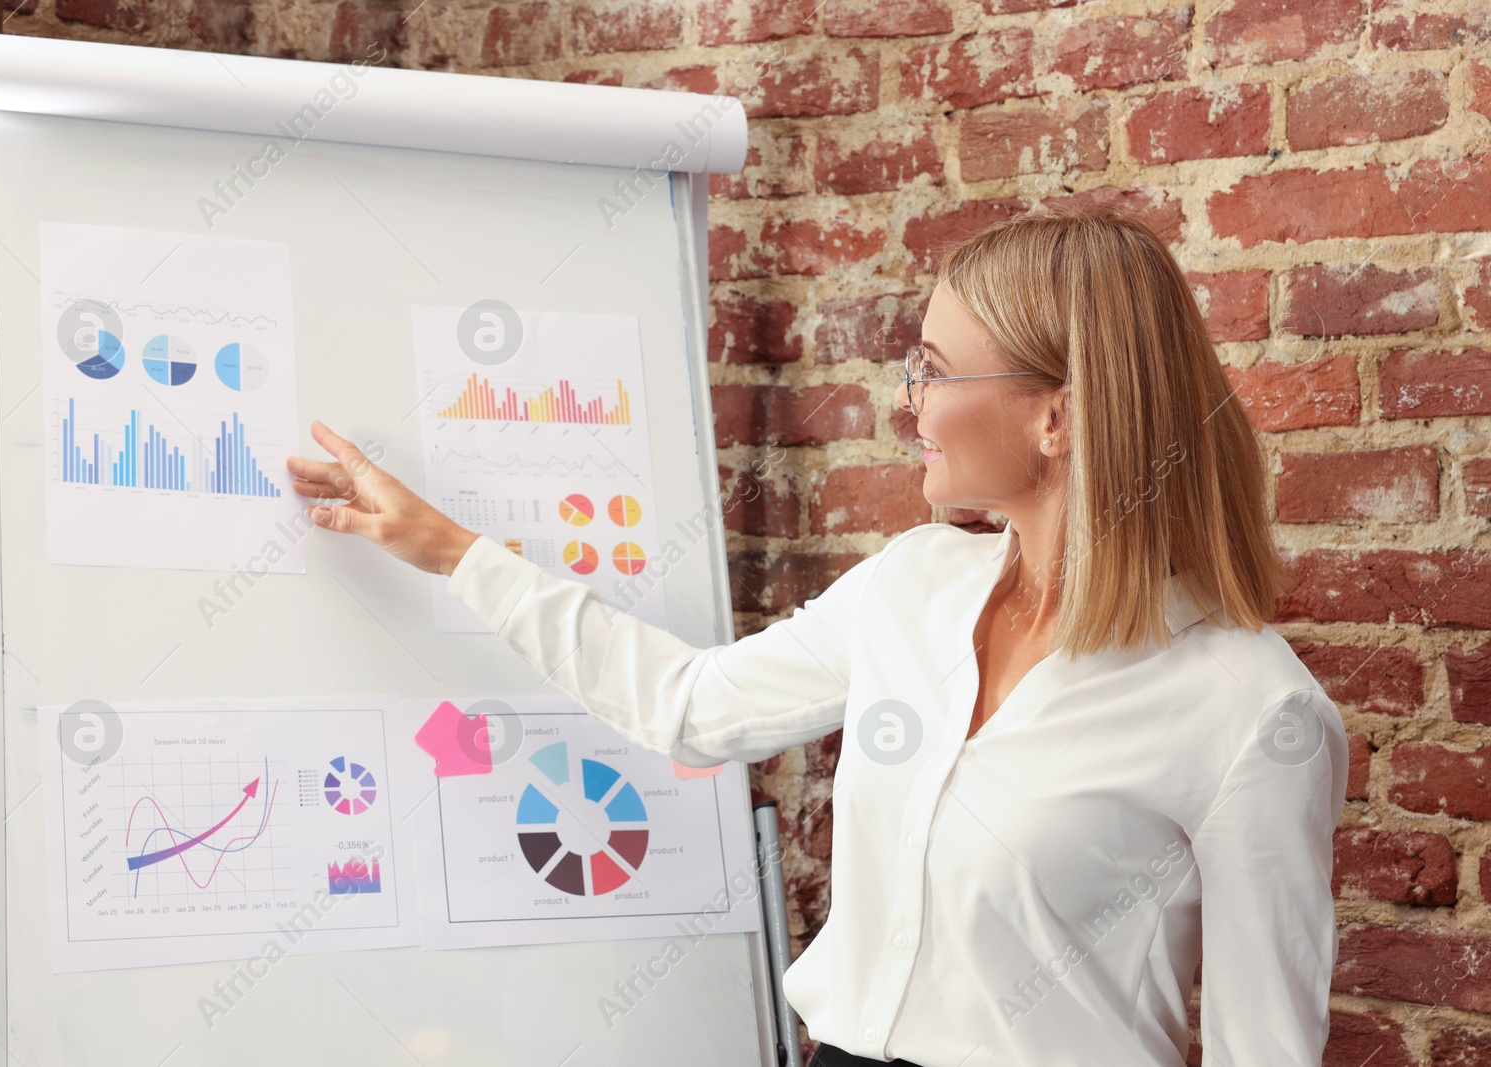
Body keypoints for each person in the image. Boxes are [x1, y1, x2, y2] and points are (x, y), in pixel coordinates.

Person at [286, 206, 1347, 1066]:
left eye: (933, 369)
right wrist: (449, 549)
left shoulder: (1250, 707)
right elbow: (690, 708)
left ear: (1053, 418)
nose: (909, 401)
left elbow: (1266, 1046)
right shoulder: (913, 585)